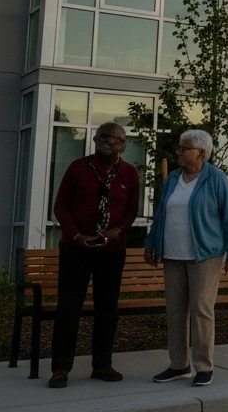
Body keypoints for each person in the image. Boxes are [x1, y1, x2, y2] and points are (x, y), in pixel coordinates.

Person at [145, 130, 228, 388]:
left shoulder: (216, 178)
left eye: (184, 148)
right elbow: (161, 214)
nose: (178, 152)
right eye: (179, 147)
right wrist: (151, 242)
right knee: (175, 311)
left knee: (201, 310)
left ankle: (204, 366)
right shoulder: (173, 178)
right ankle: (178, 365)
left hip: (205, 255)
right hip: (172, 254)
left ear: (201, 152)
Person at [49, 122, 141, 389]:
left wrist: (116, 231)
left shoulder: (129, 173)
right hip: (76, 248)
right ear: (95, 138)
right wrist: (77, 235)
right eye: (104, 136)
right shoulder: (78, 167)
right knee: (68, 307)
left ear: (123, 145)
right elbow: (61, 205)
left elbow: (132, 210)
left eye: (115, 139)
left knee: (107, 308)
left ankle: (102, 364)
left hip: (111, 251)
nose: (108, 141)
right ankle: (60, 368)